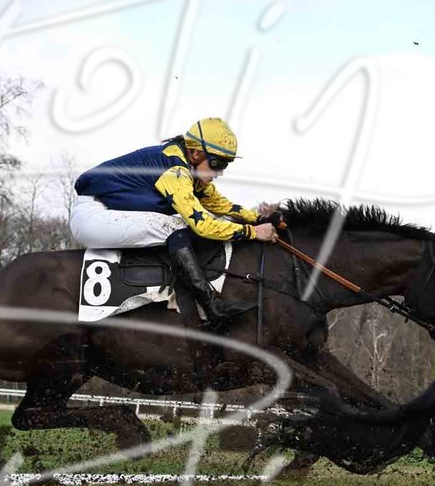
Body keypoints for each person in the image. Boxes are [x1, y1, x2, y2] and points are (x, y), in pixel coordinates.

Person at [72, 118, 282, 328]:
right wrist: (253, 232)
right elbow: (204, 225)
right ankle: (211, 307)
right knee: (176, 226)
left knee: (179, 224)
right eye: (217, 163)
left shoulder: (189, 168)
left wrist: (260, 219)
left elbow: (222, 205)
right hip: (93, 216)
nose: (220, 172)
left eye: (225, 164)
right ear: (196, 153)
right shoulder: (176, 172)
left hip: (109, 211)